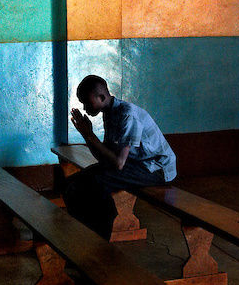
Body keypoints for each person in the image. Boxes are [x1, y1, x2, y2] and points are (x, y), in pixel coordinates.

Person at [64, 74, 177, 238]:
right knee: (72, 183)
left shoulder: (127, 114)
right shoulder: (109, 112)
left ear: (102, 97)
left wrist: (90, 135)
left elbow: (118, 163)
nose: (85, 107)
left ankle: (100, 238)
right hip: (135, 163)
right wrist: (86, 135)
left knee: (96, 184)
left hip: (157, 168)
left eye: (87, 102)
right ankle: (87, 232)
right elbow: (104, 157)